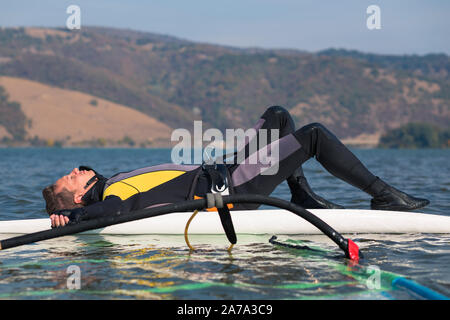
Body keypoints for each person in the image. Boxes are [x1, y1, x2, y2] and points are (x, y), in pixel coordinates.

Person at [43, 106, 430, 228]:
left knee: (277, 116)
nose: (76, 168)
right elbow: (116, 212)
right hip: (233, 187)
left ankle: (301, 195)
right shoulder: (112, 193)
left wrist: (75, 213)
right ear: (78, 195)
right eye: (71, 175)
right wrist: (76, 219)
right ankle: (384, 197)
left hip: (230, 167)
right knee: (313, 136)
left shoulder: (114, 181)